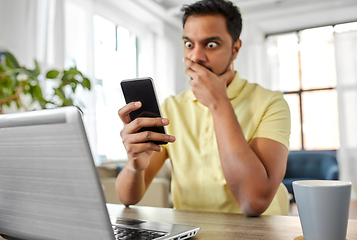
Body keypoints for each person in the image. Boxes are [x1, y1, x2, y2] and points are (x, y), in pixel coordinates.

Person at [116, 0, 291, 217]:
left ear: (235, 49)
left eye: (210, 45)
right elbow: (127, 198)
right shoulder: (172, 107)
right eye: (189, 44)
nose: (195, 56)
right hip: (191, 233)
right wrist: (135, 165)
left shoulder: (271, 103)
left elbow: (253, 202)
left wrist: (218, 103)